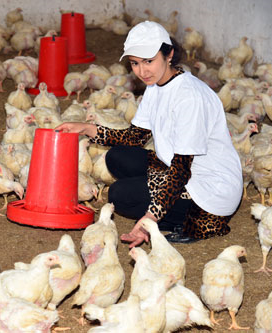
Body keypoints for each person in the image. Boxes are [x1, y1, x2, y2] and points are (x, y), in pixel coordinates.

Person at [55, 21, 243, 247]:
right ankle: (163, 200)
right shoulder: (156, 86)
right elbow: (135, 138)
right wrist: (86, 128)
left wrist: (151, 217)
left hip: (211, 190)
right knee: (116, 157)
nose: (142, 71)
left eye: (149, 61)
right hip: (184, 172)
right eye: (135, 63)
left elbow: (181, 170)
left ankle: (203, 222)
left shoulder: (189, 97)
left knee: (120, 195)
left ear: (169, 54)